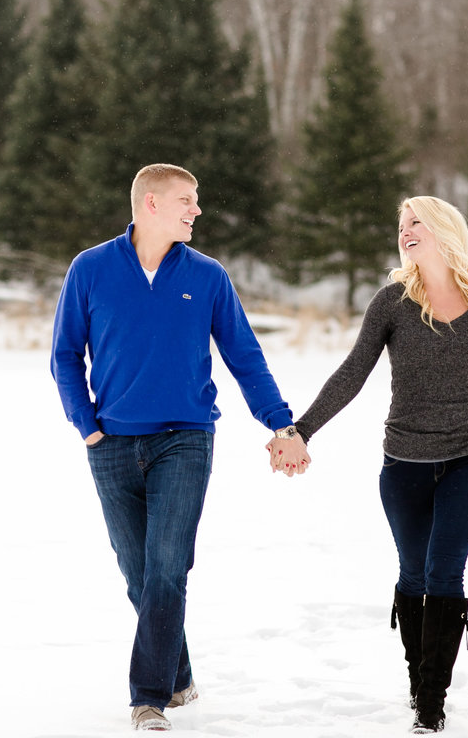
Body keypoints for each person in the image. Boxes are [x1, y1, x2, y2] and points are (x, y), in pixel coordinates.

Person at [51, 163, 307, 731]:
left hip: (185, 439)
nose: (196, 210)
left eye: (196, 201)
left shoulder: (208, 276)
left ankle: (149, 698)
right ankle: (180, 673)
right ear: (150, 205)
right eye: (186, 201)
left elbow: (245, 356)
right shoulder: (90, 269)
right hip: (111, 441)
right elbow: (65, 354)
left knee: (168, 566)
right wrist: (86, 424)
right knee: (138, 574)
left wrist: (280, 424)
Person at [268, 195, 468, 734]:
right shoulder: (391, 302)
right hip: (404, 459)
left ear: (443, 231)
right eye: (401, 224)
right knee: (414, 574)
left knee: (444, 570)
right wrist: (301, 429)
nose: (405, 231)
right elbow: (353, 372)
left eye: (416, 223)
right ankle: (418, 682)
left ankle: (432, 704)